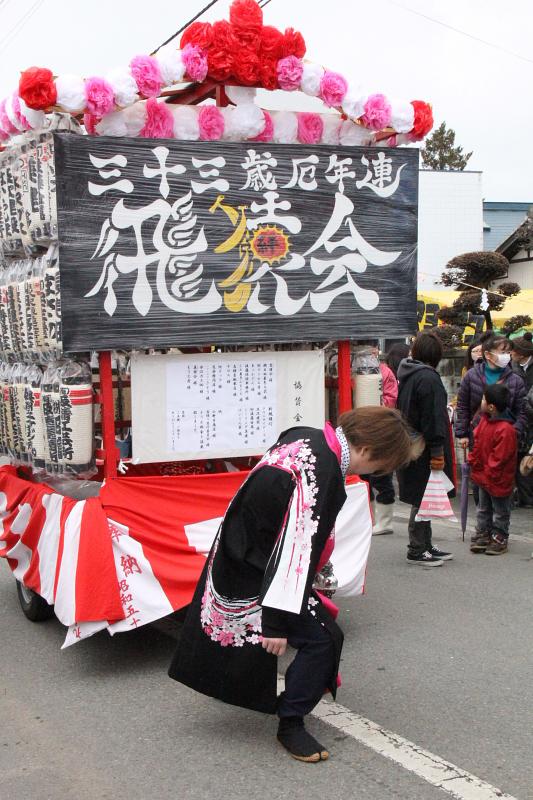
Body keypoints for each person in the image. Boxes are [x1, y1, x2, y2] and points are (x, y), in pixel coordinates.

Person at [168, 408, 420, 763]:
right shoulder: (323, 469)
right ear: (368, 450)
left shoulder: (309, 436)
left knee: (320, 636)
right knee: (322, 640)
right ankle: (291, 723)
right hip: (259, 568)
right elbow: (294, 550)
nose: (376, 474)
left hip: (244, 551)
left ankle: (284, 707)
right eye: (380, 466)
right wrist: (276, 621)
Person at [397, 331, 455, 566]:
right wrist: (438, 451)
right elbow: (433, 418)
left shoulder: (409, 374)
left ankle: (425, 544)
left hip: (411, 443)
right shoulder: (429, 379)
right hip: (426, 447)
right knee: (424, 496)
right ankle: (417, 548)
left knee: (424, 496)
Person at [455, 333, 527, 450]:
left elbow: (521, 411)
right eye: (502, 352)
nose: (507, 356)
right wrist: (463, 434)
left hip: (505, 439)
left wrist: (514, 432)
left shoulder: (516, 380)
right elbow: (463, 406)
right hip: (477, 436)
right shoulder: (471, 376)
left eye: (508, 352)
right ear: (488, 354)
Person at [468, 384, 518, 555]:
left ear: (491, 406)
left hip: (498, 478)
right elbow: (477, 443)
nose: (480, 401)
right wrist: (472, 461)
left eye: (483, 399)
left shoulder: (506, 429)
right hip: (483, 476)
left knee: (501, 510)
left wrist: (488, 471)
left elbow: (500, 458)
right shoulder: (483, 421)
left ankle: (500, 537)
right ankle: (483, 532)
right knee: (483, 508)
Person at [356, 340, 398, 535]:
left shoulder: (385, 372)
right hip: (360, 429)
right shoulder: (355, 369)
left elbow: (391, 399)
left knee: (381, 476)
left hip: (380, 428)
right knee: (363, 477)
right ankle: (370, 518)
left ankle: (385, 521)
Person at [511, 332, 533, 507]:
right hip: (519, 417)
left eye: (513, 351)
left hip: (529, 416)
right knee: (519, 457)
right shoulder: (512, 367)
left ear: (522, 354)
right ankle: (524, 497)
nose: (510, 354)